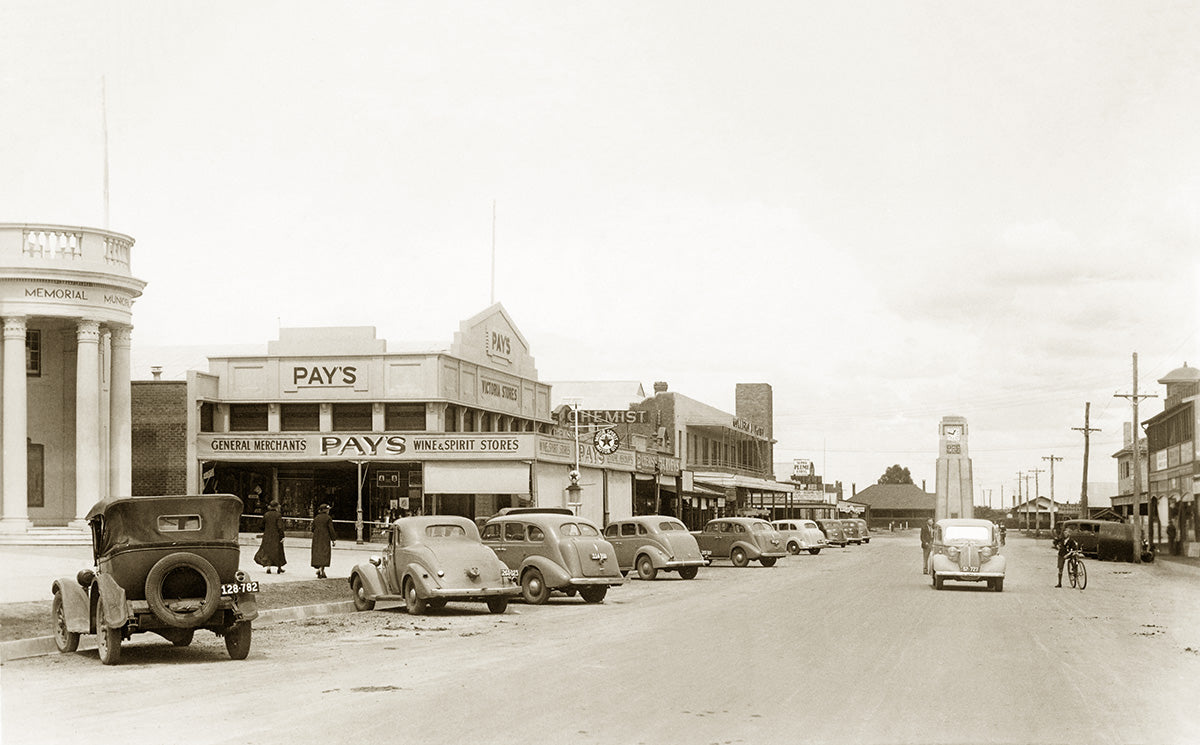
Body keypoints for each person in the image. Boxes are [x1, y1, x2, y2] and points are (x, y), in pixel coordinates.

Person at [255, 501, 287, 574]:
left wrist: (266, 530)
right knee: (278, 551)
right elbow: (280, 527)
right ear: (276, 507)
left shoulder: (266, 514)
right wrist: (282, 536)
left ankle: (268, 567)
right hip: (276, 536)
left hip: (267, 536)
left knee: (268, 551)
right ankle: (279, 568)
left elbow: (261, 526)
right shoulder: (278, 515)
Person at [310, 503, 336, 579]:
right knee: (325, 553)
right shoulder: (328, 518)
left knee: (318, 553)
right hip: (325, 538)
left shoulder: (316, 518)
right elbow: (331, 530)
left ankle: (320, 569)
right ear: (326, 510)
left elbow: (312, 529)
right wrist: (333, 539)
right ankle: (321, 569)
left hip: (316, 538)